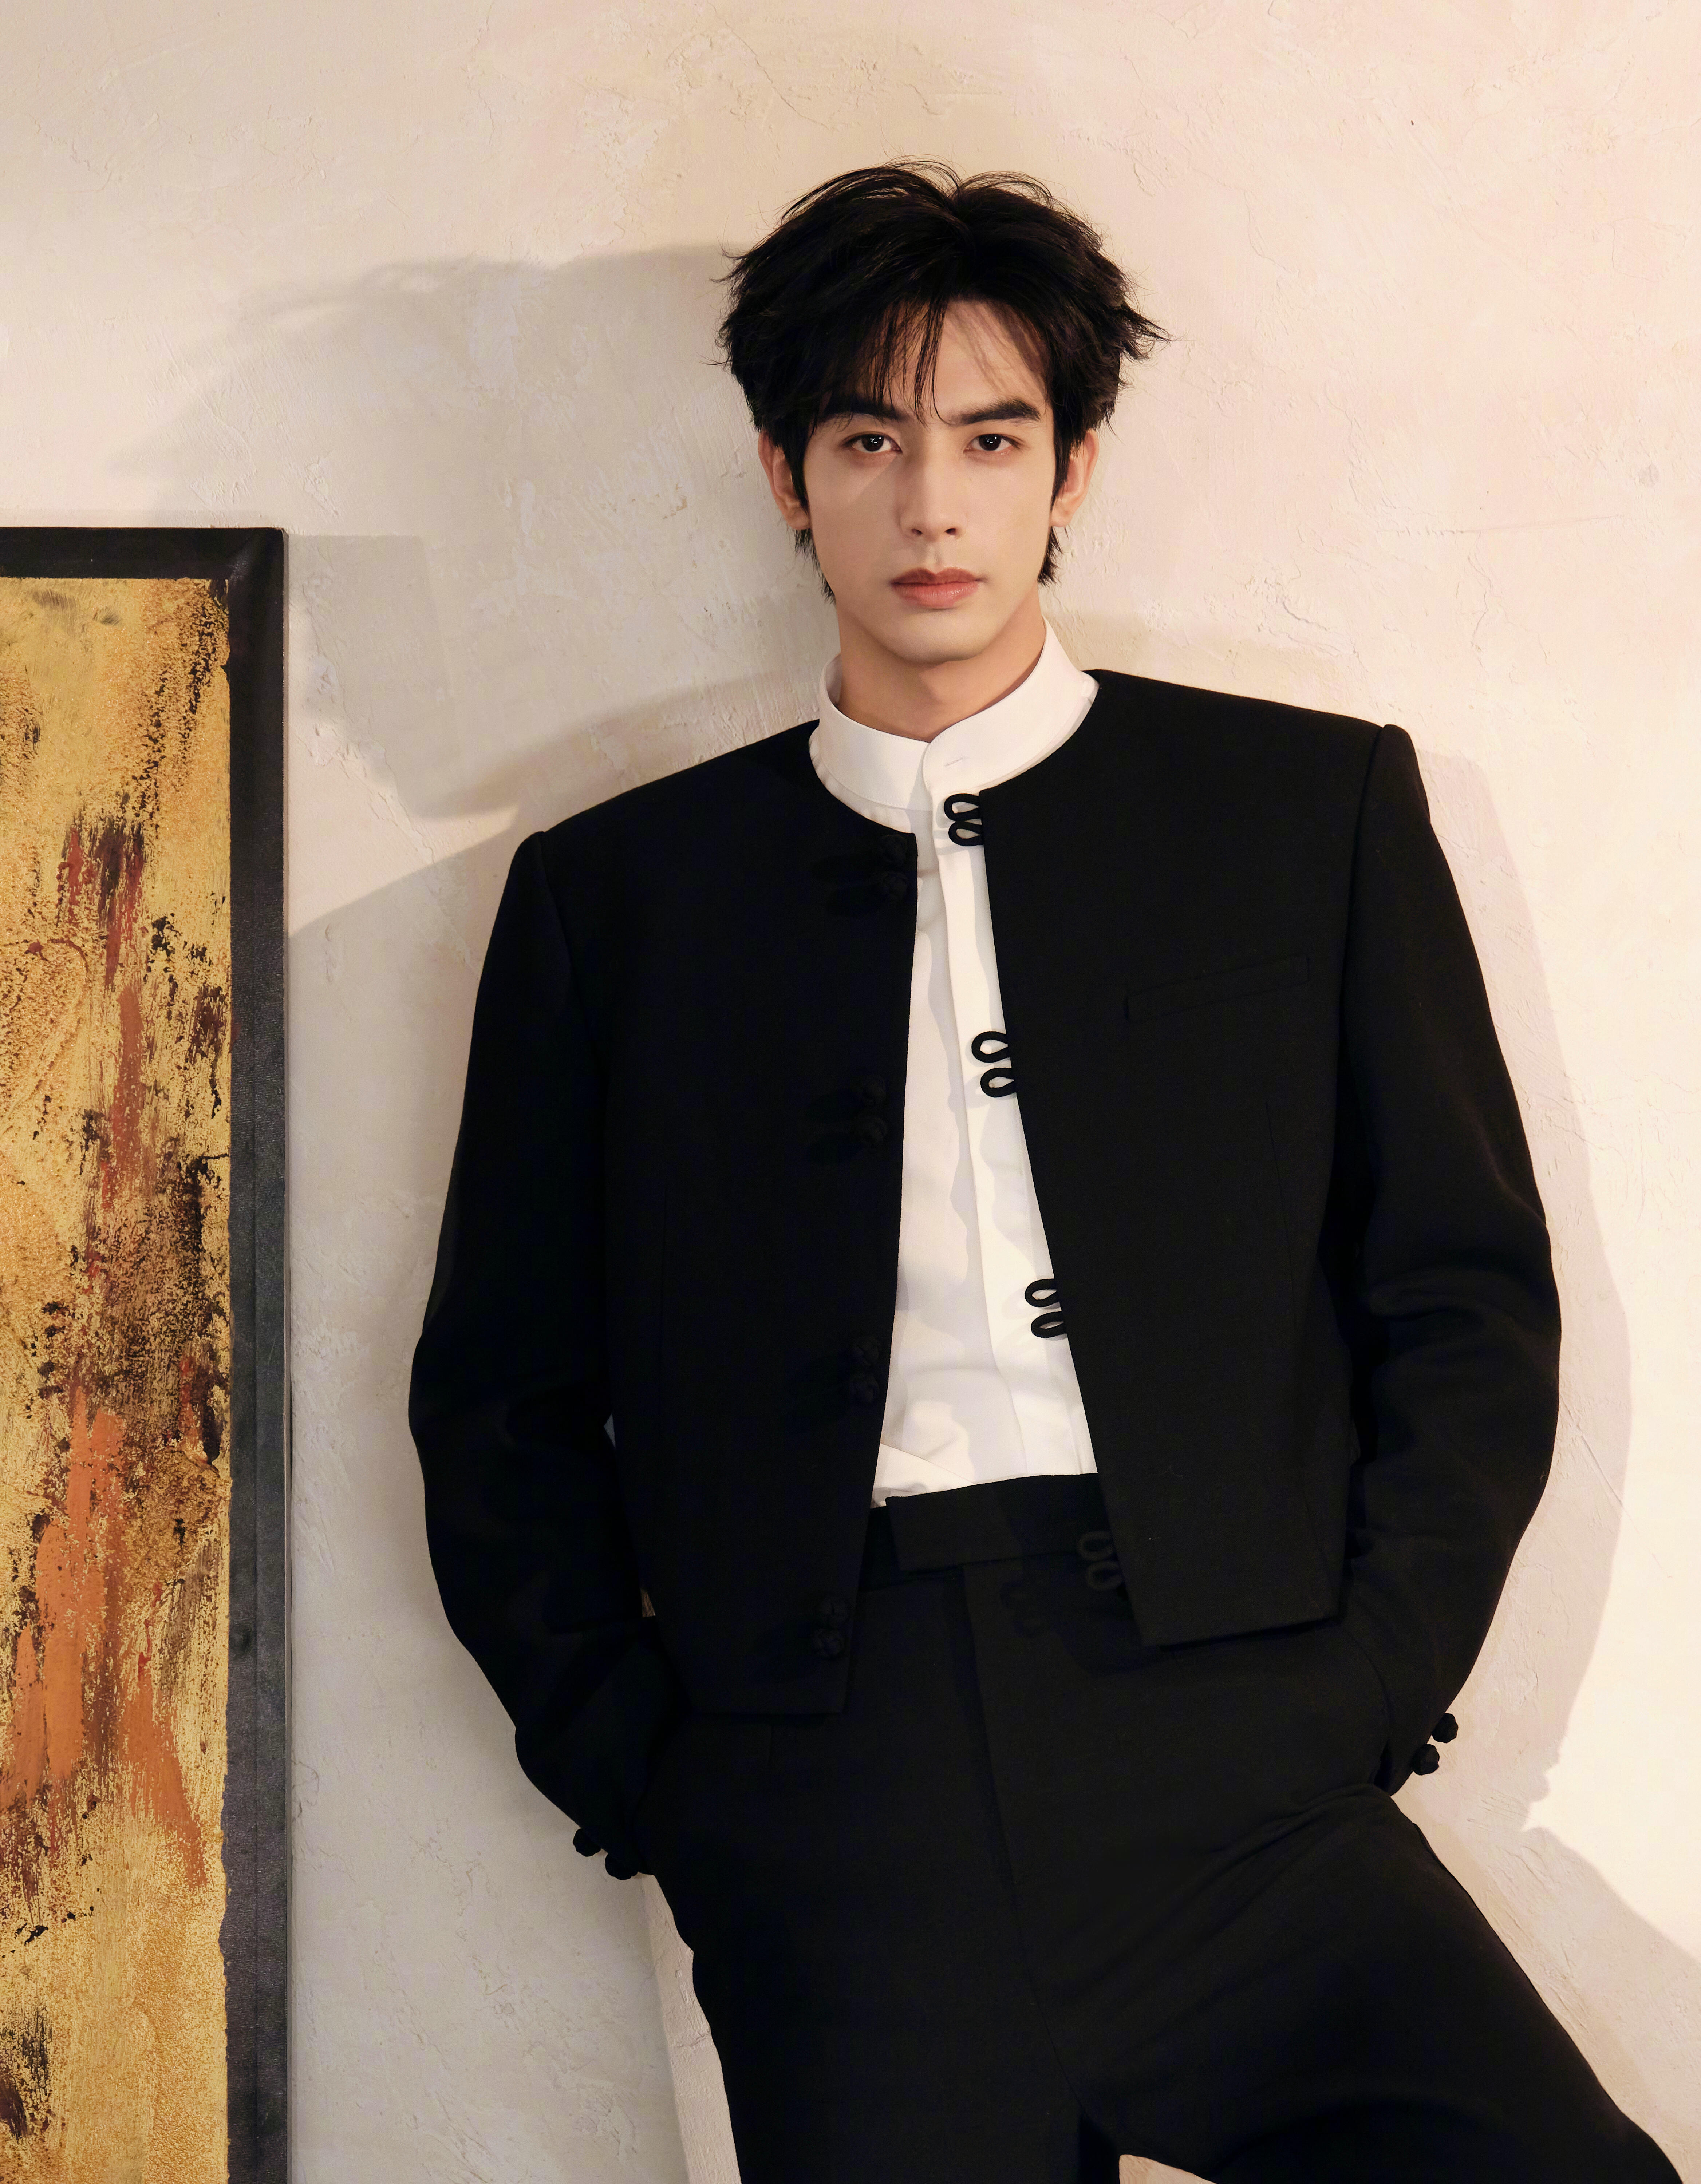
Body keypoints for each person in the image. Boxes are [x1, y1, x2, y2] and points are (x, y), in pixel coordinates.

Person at [407, 162, 1679, 2183]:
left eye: (992, 441)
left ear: (1072, 467)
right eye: (869, 442)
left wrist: (1369, 1680)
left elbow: (1461, 1291)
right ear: (783, 475)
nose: (932, 506)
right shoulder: (618, 900)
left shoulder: (1303, 812)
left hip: (1242, 1750)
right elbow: (503, 1396)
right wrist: (661, 1779)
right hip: (837, 1809)